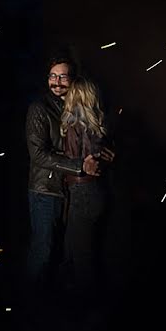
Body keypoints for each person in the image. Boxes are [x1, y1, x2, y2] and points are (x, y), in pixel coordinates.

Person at [25, 57, 94, 290]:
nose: (57, 82)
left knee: (61, 254)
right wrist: (78, 166)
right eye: (53, 76)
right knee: (43, 252)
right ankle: (30, 305)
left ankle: (49, 307)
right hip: (45, 192)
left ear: (72, 79)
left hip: (69, 192)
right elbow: (38, 155)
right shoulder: (39, 108)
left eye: (63, 76)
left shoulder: (74, 106)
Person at [59, 78, 115, 302]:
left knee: (80, 257)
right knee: (78, 252)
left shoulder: (74, 125)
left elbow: (75, 162)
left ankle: (88, 306)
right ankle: (81, 301)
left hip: (82, 194)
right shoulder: (96, 125)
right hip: (96, 193)